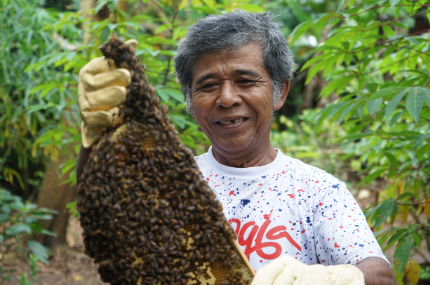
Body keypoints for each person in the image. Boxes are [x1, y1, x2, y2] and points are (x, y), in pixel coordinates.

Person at [77, 10, 396, 285]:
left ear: (279, 92)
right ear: (189, 101)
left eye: (245, 81)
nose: (227, 98)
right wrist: (96, 140)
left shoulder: (318, 191)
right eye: (208, 85)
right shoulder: (165, 184)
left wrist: (339, 277)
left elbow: (380, 274)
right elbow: (104, 213)